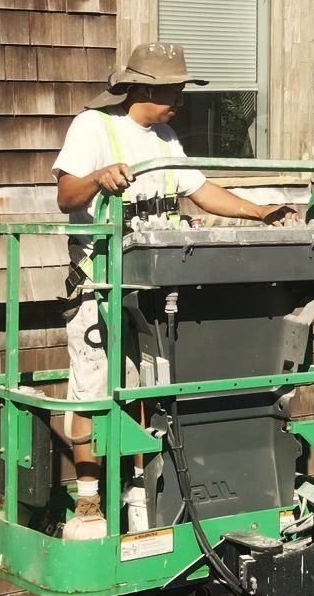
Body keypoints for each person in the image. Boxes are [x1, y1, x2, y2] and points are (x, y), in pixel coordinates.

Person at [51, 42, 293, 536]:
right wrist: (98, 178)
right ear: (140, 86)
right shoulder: (94, 127)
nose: (178, 99)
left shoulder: (164, 137)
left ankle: (144, 488)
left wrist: (259, 211)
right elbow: (65, 196)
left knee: (152, 390)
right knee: (94, 390)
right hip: (100, 284)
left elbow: (199, 191)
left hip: (153, 288)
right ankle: (90, 501)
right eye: (170, 90)